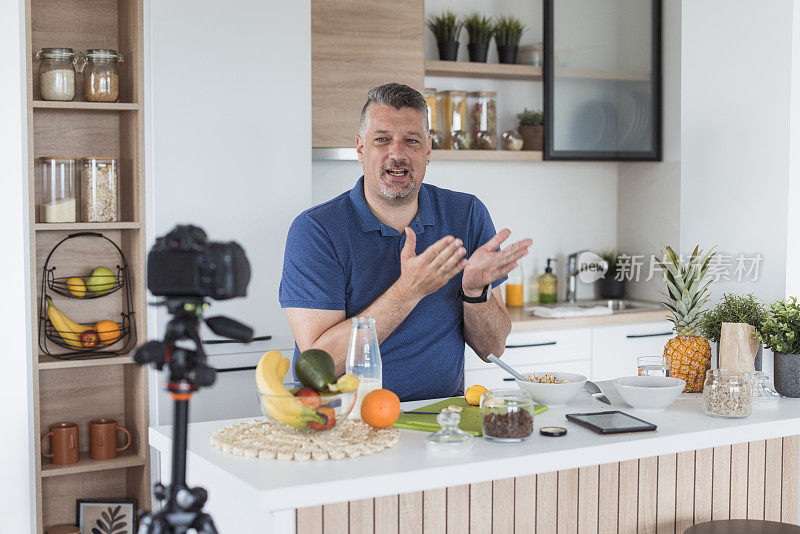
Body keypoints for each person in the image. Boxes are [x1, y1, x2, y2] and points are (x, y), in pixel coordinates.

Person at [279, 83, 532, 401]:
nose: (396, 154)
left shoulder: (466, 214)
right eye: (382, 139)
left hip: (441, 417)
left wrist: (475, 293)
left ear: (427, 152)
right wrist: (407, 291)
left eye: (411, 141)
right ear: (360, 149)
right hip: (341, 421)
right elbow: (319, 367)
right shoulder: (315, 230)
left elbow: (492, 349)